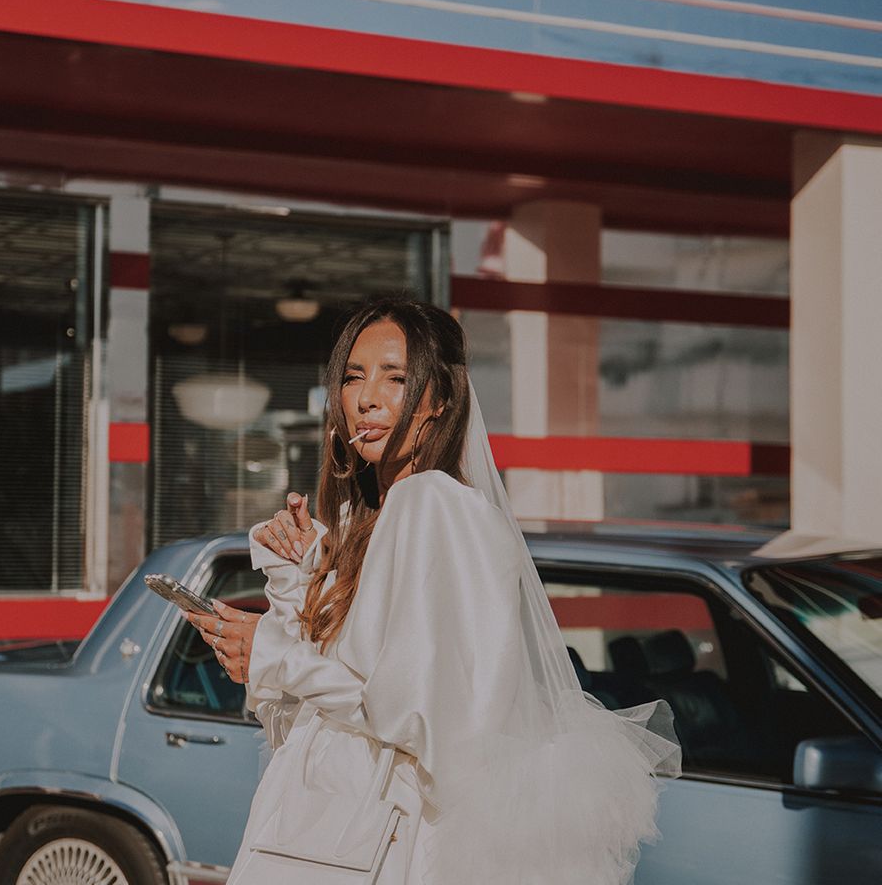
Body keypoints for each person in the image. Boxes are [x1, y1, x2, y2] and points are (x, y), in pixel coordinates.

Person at [184, 296, 680, 884]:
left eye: (395, 378)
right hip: (320, 835)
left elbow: (427, 718)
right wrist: (296, 584)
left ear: (438, 399)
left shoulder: (431, 505)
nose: (366, 397)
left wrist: (275, 655)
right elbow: (303, 727)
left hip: (377, 847)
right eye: (352, 376)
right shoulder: (372, 517)